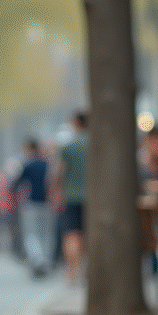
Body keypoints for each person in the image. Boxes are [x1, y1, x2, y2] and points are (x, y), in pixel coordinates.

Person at [11, 138, 53, 279]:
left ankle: (37, 259)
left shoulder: (28, 165)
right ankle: (46, 261)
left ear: (29, 148)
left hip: (31, 204)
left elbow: (15, 183)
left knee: (31, 234)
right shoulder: (48, 164)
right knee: (46, 234)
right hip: (48, 204)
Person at [56, 111, 88, 283]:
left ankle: (72, 273)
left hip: (72, 196)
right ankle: (89, 272)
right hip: (94, 198)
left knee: (72, 235)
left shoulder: (68, 147)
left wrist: (56, 190)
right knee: (90, 235)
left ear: (77, 123)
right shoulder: (97, 145)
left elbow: (59, 172)